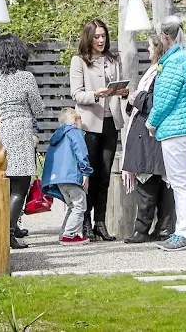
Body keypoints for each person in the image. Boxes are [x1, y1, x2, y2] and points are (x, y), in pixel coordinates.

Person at [0, 34, 45, 249]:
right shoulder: (26, 78)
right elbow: (39, 109)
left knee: (0, 187)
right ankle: (7, 233)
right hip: (21, 135)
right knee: (19, 189)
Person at [146, 15, 186, 252]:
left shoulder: (174, 60)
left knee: (179, 182)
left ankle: (185, 233)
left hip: (176, 127)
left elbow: (165, 100)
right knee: (180, 181)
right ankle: (184, 232)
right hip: (184, 126)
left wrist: (152, 122)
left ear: (164, 37)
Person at [69, 19, 128, 242]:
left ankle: (100, 223)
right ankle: (85, 222)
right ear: (89, 38)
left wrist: (121, 92)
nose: (101, 40)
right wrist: (96, 94)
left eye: (103, 36)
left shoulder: (114, 59)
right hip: (89, 124)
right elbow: (77, 93)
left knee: (104, 176)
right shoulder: (79, 61)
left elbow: (118, 87)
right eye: (97, 36)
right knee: (88, 176)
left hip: (110, 123)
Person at [122, 31, 175, 244]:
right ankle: (159, 228)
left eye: (150, 47)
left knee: (150, 183)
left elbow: (156, 101)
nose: (147, 50)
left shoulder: (161, 72)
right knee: (156, 181)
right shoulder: (154, 71)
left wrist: (138, 97)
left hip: (151, 135)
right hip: (149, 133)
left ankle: (146, 229)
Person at [42, 108, 93, 246]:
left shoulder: (57, 137)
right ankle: (69, 235)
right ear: (75, 120)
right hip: (71, 175)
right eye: (80, 118)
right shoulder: (74, 132)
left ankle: (64, 234)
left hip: (59, 178)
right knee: (80, 205)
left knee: (72, 205)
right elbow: (81, 152)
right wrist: (86, 172)